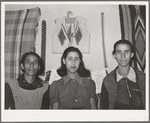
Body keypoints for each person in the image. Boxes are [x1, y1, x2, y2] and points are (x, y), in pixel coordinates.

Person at [100, 39, 145, 109]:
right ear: (114, 55)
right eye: (119, 52)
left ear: (132, 54)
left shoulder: (143, 78)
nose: (123, 56)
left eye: (126, 52)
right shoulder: (107, 81)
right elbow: (104, 108)